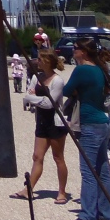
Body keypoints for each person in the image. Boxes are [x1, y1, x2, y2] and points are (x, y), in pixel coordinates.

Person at [62, 38, 110, 220]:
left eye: (75, 49)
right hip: (103, 123)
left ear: (83, 52)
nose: (73, 52)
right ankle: (108, 213)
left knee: (88, 172)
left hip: (90, 124)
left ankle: (88, 216)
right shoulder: (99, 69)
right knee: (103, 171)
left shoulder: (82, 70)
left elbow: (67, 90)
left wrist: (77, 91)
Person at [14, 50, 69, 204]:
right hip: (42, 121)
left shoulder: (57, 80)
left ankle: (62, 192)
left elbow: (49, 103)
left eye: (40, 59)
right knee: (37, 157)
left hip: (55, 122)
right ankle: (28, 189)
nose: (37, 61)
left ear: (48, 61)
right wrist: (34, 98)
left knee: (58, 157)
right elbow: (28, 97)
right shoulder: (36, 77)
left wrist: (32, 98)